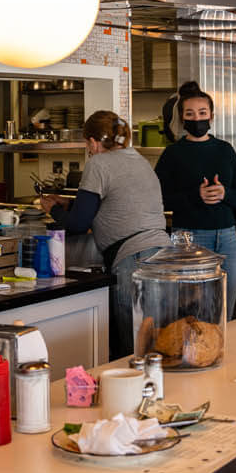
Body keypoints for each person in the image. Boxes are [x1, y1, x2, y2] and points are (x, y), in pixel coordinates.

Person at [39, 111, 168, 359]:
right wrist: (69, 203)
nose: (88, 150)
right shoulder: (137, 159)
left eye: (87, 144)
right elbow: (114, 201)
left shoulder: (98, 164)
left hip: (134, 260)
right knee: (156, 345)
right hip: (161, 253)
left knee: (132, 351)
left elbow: (78, 224)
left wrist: (52, 209)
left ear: (94, 142)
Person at [155, 81, 236, 316]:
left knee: (226, 309)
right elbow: (159, 200)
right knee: (191, 311)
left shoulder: (226, 150)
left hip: (227, 237)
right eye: (190, 114)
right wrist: (195, 196)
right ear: (183, 119)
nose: (197, 118)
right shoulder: (172, 154)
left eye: (202, 113)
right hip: (188, 238)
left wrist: (225, 193)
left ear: (212, 116)